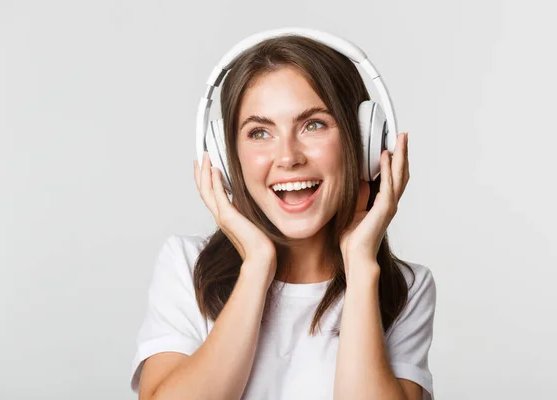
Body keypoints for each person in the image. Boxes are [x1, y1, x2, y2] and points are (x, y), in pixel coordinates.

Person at [130, 33, 436, 400]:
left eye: (313, 125)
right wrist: (257, 265)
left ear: (363, 141)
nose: (288, 157)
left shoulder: (404, 287)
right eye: (260, 132)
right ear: (228, 159)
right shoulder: (185, 265)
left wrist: (360, 265)